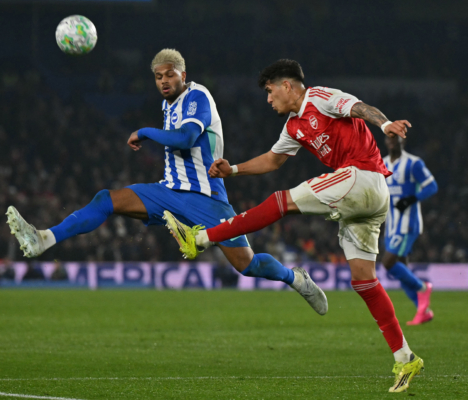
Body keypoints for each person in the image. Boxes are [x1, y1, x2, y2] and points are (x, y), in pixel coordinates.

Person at [163, 59, 423, 393]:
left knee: (281, 201)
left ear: (287, 86)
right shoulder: (293, 126)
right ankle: (405, 357)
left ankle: (202, 238)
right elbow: (273, 160)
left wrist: (384, 123)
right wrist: (234, 170)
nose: (268, 99)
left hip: (361, 177)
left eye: (270, 92)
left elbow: (359, 107)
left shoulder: (321, 98)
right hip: (368, 197)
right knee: (363, 279)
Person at [6, 49, 327, 314]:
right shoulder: (167, 105)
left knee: (247, 265)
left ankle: (295, 278)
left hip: (205, 199)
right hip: (167, 192)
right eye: (158, 76)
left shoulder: (198, 97)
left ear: (183, 75)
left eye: (170, 74)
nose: (164, 81)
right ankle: (44, 239)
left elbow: (187, 138)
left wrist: (144, 132)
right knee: (106, 199)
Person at [382, 136, 438, 325]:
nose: (392, 140)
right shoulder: (382, 164)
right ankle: (423, 311)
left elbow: (432, 186)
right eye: (389, 137)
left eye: (395, 137)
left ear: (402, 141)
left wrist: (412, 199)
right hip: (390, 224)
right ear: (385, 141)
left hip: (407, 223)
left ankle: (422, 287)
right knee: (401, 270)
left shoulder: (413, 163)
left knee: (388, 262)